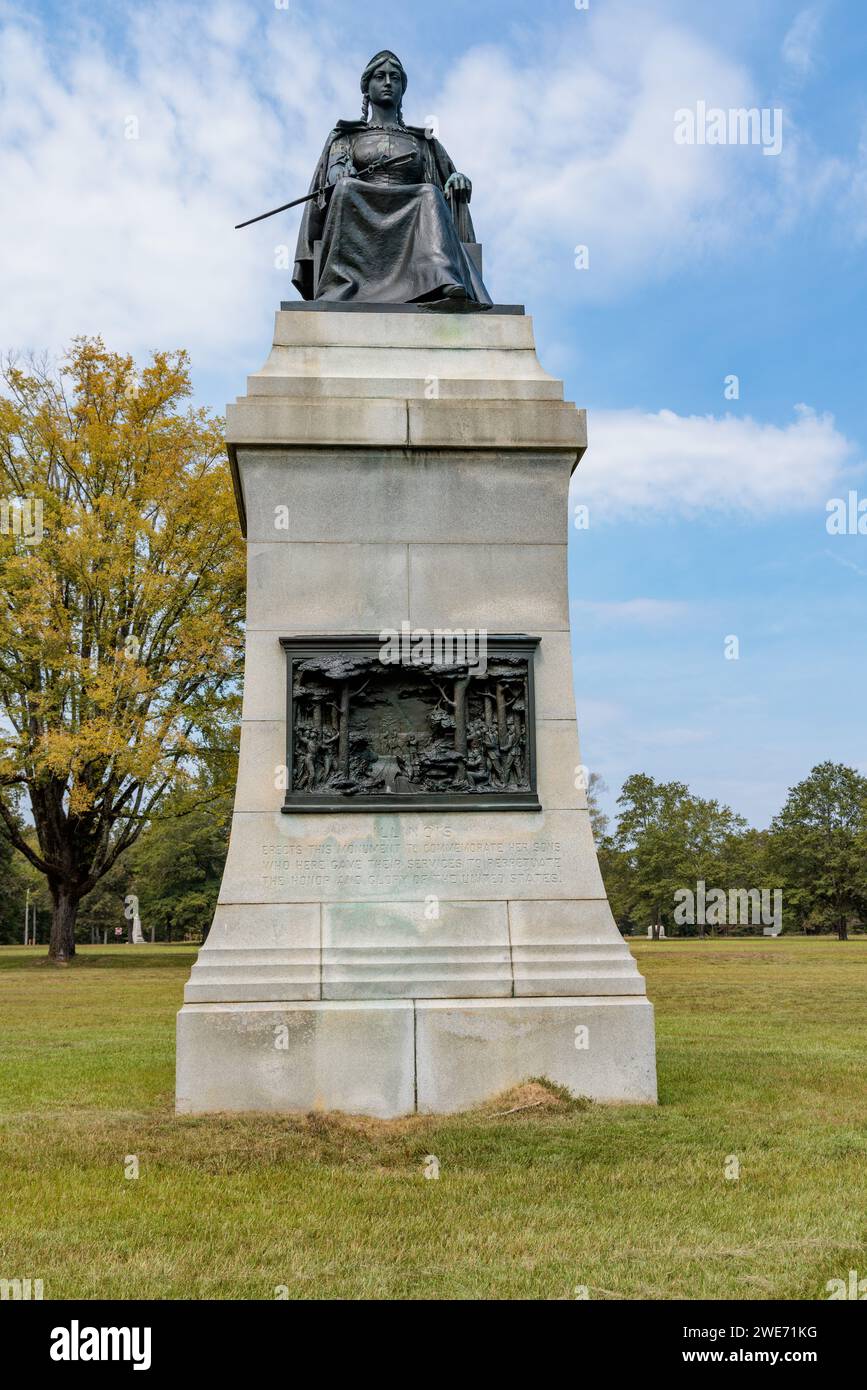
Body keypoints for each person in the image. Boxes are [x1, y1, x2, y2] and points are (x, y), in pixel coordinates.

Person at [293, 50, 493, 309]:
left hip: (413, 207)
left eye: (395, 78)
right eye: (380, 76)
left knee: (429, 193)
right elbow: (333, 171)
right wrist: (339, 173)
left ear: (402, 87)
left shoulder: (423, 142)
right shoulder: (346, 136)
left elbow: (442, 189)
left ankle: (441, 277)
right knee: (345, 188)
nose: (388, 82)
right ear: (367, 87)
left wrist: (455, 179)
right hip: (361, 205)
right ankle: (341, 284)